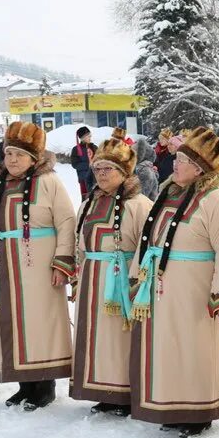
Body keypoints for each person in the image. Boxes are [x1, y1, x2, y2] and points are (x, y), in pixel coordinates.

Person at [129, 127, 219, 437]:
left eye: (183, 160)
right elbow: (148, 237)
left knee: (195, 346)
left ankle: (199, 409)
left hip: (195, 289)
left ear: (201, 168)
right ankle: (174, 404)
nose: (175, 164)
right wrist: (139, 274)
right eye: (176, 158)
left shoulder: (218, 200)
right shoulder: (170, 191)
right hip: (164, 287)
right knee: (171, 346)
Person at [0, 122, 76, 411]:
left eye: (19, 154)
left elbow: (66, 222)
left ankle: (44, 386)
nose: (13, 159)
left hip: (39, 267)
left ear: (34, 158)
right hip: (3, 263)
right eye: (9, 153)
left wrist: (62, 262)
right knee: (10, 324)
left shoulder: (49, 182)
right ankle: (24, 385)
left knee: (39, 323)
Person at [69, 137, 152, 417]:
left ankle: (124, 393)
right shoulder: (88, 203)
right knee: (95, 337)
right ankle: (103, 390)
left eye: (108, 169)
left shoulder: (141, 205)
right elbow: (77, 240)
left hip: (119, 279)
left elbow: (148, 245)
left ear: (125, 172)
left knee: (119, 338)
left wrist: (136, 279)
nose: (102, 174)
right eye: (98, 169)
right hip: (92, 276)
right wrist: (76, 274)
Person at [71, 126, 97, 197]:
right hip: (84, 178)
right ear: (83, 138)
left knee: (96, 198)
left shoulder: (94, 147)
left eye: (90, 136)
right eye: (88, 136)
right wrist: (88, 164)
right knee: (86, 198)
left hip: (96, 177)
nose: (90, 137)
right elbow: (75, 164)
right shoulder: (76, 149)